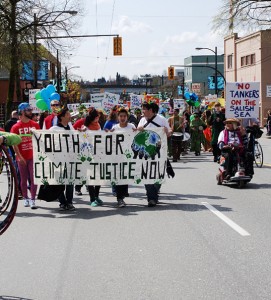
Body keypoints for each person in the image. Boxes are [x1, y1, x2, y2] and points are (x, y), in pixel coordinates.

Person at [137, 101, 172, 207]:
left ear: (151, 110)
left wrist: (166, 131)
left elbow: (169, 133)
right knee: (146, 173)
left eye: (144, 109)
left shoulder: (161, 119)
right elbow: (137, 134)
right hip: (146, 152)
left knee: (158, 172)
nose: (143, 111)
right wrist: (139, 130)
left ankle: (154, 192)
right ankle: (151, 198)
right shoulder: (142, 120)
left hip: (159, 152)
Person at [11, 103, 40, 209]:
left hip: (33, 156)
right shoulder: (15, 127)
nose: (31, 112)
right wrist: (19, 156)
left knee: (34, 178)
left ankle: (33, 199)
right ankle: (25, 198)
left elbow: (40, 141)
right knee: (23, 179)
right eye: (28, 110)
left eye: (31, 109)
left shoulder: (35, 125)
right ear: (22, 112)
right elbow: (14, 144)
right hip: (21, 157)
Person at [111, 108, 136, 208]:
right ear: (118, 117)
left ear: (127, 117)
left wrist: (138, 130)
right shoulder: (115, 128)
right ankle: (119, 198)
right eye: (120, 116)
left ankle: (123, 194)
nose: (122, 118)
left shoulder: (132, 126)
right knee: (119, 177)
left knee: (125, 176)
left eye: (124, 116)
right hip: (117, 156)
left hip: (128, 156)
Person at [81, 108, 104, 207]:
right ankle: (92, 198)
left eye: (98, 116)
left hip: (98, 154)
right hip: (88, 155)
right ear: (92, 118)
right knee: (90, 176)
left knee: (99, 176)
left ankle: (96, 196)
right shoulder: (86, 127)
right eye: (96, 117)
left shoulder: (98, 125)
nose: (98, 118)